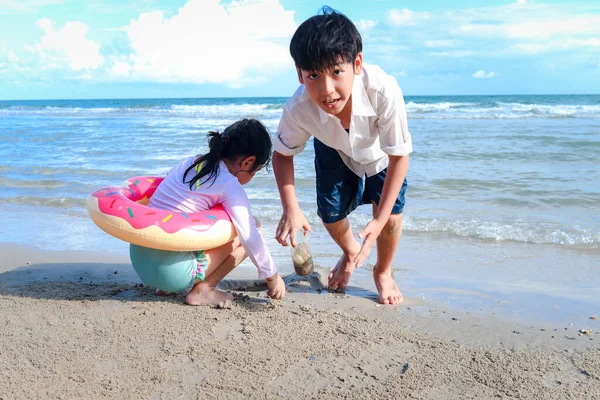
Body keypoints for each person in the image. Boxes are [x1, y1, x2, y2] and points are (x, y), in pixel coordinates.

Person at [272, 7, 413, 305]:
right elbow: (282, 155)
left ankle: (383, 272)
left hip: (381, 153)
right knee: (330, 214)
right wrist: (291, 208)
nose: (327, 91)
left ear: (356, 63)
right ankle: (350, 253)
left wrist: (381, 217)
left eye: (337, 72)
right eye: (313, 75)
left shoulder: (383, 90)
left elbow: (399, 156)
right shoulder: (298, 108)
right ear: (299, 74)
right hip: (333, 145)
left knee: (390, 219)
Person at [130, 118, 285, 306]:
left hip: (140, 263)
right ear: (248, 162)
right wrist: (272, 276)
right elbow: (250, 235)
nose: (251, 177)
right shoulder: (229, 184)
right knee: (256, 227)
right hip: (173, 274)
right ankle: (203, 290)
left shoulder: (189, 162)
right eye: (255, 172)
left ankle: (164, 288)